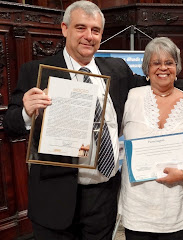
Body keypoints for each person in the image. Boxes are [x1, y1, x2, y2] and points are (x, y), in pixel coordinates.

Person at [3, 1, 149, 239]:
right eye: (81, 28)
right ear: (64, 29)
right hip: (55, 195)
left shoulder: (117, 68)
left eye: (95, 30)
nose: (88, 36)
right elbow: (10, 124)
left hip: (104, 195)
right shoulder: (37, 71)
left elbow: (153, 83)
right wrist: (25, 113)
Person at [118, 37, 183, 240]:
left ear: (177, 67)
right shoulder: (132, 97)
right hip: (137, 208)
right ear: (147, 69)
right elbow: (111, 132)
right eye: (156, 63)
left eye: (169, 62)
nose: (162, 68)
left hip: (177, 208)